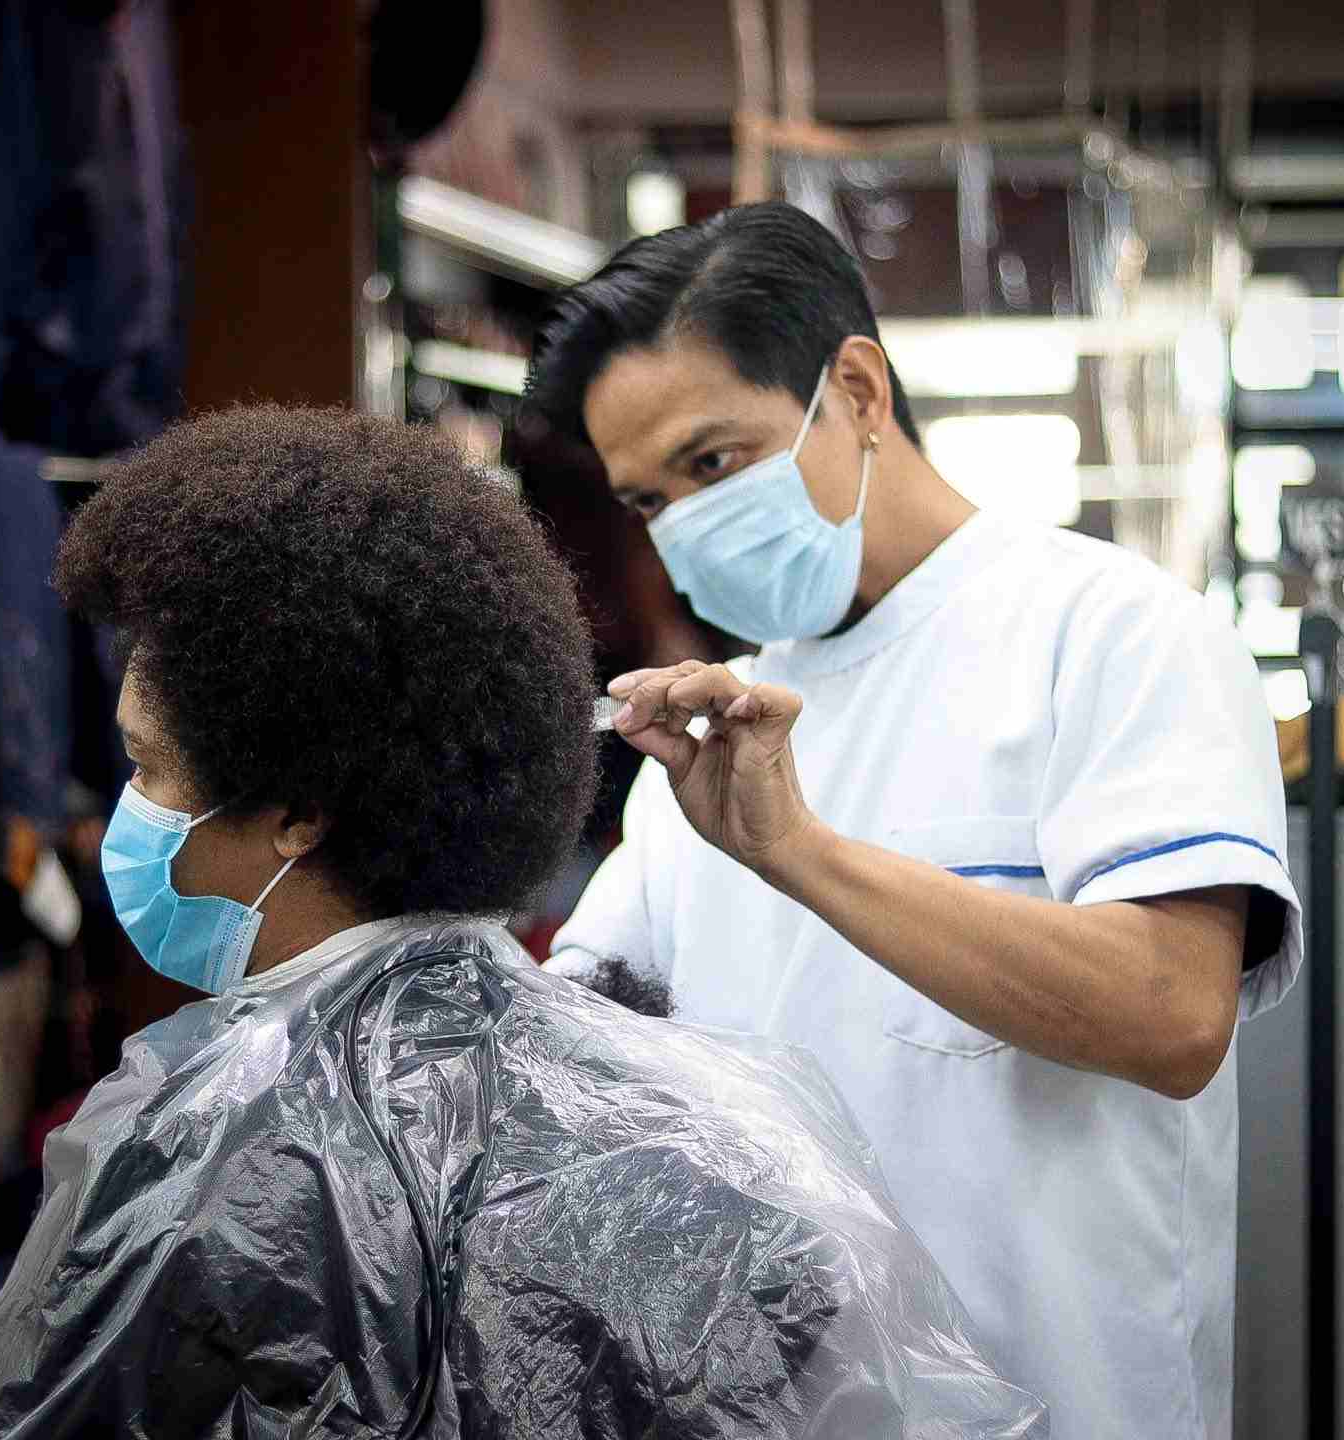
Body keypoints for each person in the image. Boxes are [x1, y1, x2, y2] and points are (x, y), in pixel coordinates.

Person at [0, 406, 1049, 1438]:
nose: (132, 814)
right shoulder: (717, 1133)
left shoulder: (195, 1156)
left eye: (148, 767)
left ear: (297, 816)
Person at [528, 201, 1303, 1440]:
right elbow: (586, 1048)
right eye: (646, 502)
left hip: (1071, 1404)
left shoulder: (1113, 635)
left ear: (856, 388)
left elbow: (1172, 1013)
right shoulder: (709, 735)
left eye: (713, 464)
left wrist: (808, 857)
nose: (682, 528)